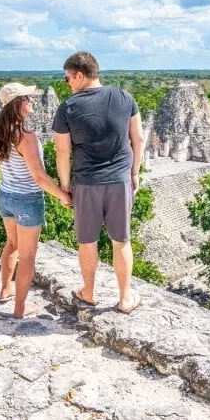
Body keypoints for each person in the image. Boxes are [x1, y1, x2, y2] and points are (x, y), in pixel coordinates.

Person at [53, 52, 145, 313]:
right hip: (119, 180)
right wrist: (135, 172)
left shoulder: (68, 107)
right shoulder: (123, 97)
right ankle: (126, 297)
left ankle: (89, 292)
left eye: (68, 78)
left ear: (80, 75)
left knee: (87, 242)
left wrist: (65, 185)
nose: (68, 83)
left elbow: (62, 152)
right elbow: (138, 138)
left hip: (87, 182)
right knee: (121, 241)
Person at [0, 82, 72, 318]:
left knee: (12, 244)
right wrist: (63, 196)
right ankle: (20, 308)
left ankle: (5, 290)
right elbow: (39, 176)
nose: (32, 101)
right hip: (26, 200)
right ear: (18, 103)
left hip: (4, 195)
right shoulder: (26, 136)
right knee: (27, 256)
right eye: (28, 98)